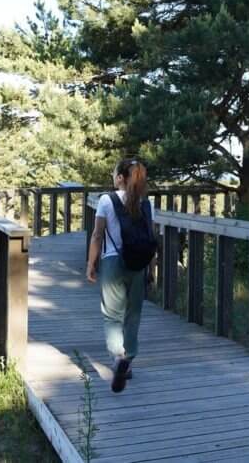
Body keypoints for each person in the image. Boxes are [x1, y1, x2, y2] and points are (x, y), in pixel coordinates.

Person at [85, 158, 155, 393]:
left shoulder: (107, 200)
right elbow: (150, 237)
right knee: (133, 314)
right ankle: (129, 360)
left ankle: (118, 357)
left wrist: (90, 263)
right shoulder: (147, 204)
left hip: (113, 262)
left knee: (112, 315)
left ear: (120, 178)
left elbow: (97, 235)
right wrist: (151, 268)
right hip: (139, 264)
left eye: (115, 174)